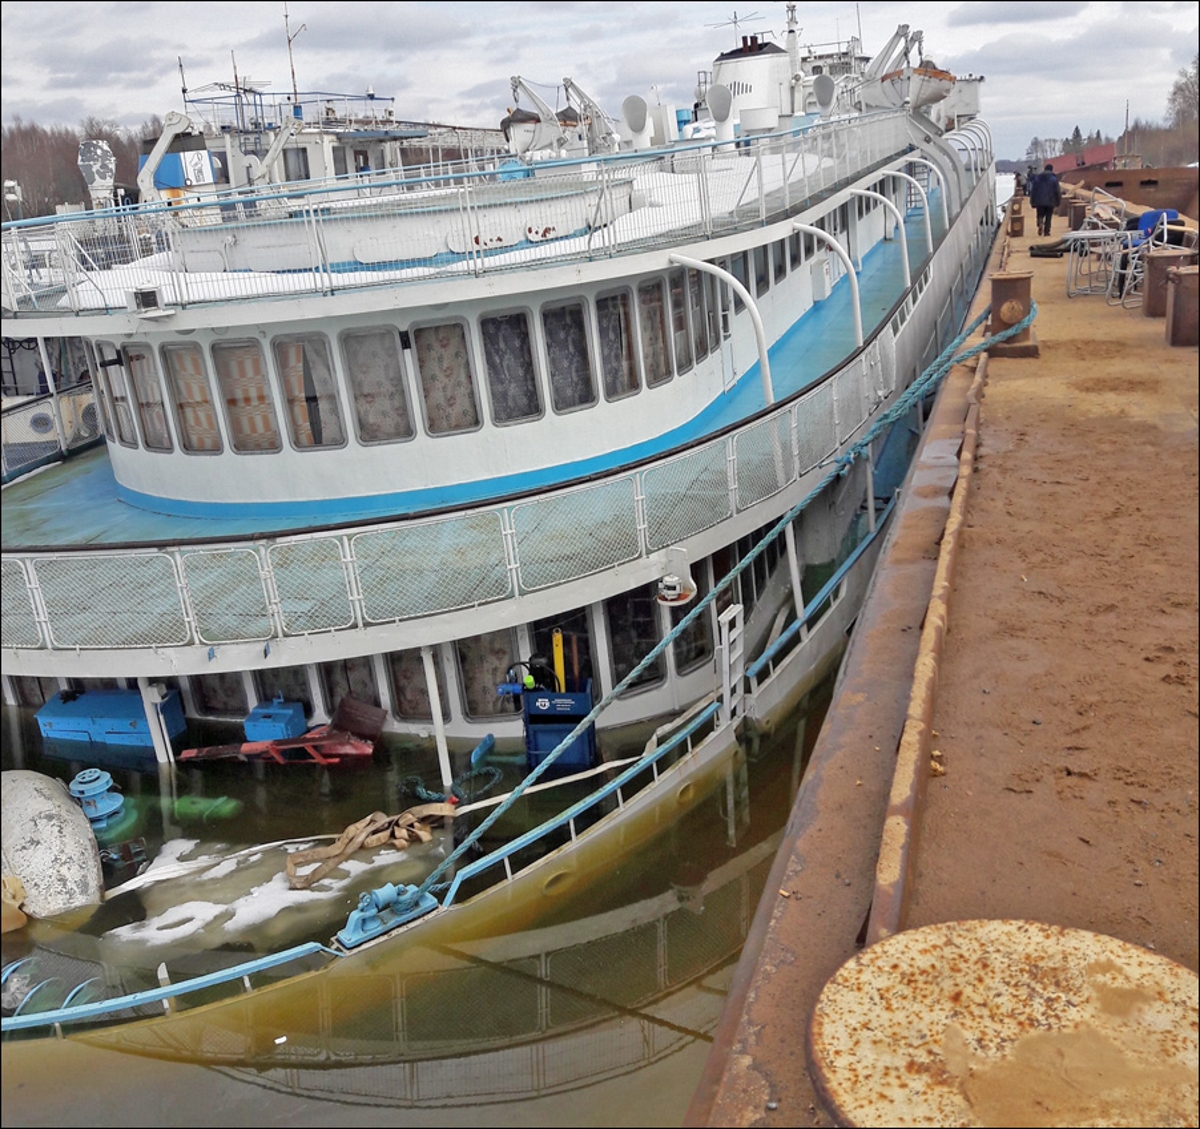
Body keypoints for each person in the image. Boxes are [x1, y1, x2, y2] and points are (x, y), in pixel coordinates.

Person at [1028, 163, 1062, 238]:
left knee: (1040, 214)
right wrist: (1058, 201)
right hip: (1051, 200)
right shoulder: (1053, 178)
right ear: (1051, 169)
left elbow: (1033, 190)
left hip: (1039, 200)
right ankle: (1047, 231)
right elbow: (1057, 191)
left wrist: (1032, 201)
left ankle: (1040, 223)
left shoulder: (1038, 177)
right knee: (1048, 216)